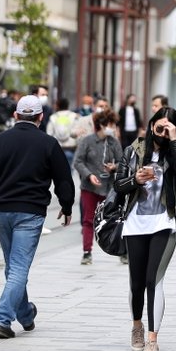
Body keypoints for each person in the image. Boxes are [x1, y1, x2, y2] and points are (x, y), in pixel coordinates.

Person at [0, 95, 75, 339]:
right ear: (41, 117)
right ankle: (2, 320)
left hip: (2, 212)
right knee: (18, 269)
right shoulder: (48, 144)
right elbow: (63, 179)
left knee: (13, 268)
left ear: (16, 116)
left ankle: (26, 315)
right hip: (30, 213)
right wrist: (67, 206)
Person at [114, 106, 176, 351]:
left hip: (163, 222)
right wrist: (135, 179)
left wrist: (174, 139)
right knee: (136, 283)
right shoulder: (133, 150)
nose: (162, 130)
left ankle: (152, 339)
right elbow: (118, 186)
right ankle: (137, 327)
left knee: (152, 279)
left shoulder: (175, 150)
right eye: (159, 125)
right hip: (135, 222)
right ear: (151, 124)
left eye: (168, 126)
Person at [73, 109, 123, 265]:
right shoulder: (87, 141)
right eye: (111, 125)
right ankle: (87, 252)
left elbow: (123, 163)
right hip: (89, 187)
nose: (113, 128)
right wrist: (89, 175)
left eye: (114, 125)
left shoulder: (114, 142)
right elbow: (78, 161)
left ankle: (122, 250)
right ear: (101, 125)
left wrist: (114, 167)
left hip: (108, 187)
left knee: (117, 219)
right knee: (88, 220)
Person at [47, 98, 80, 170]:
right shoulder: (74, 116)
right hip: (70, 148)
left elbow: (49, 133)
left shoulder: (53, 117)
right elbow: (77, 132)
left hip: (56, 148)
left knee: (57, 171)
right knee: (69, 171)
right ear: (68, 105)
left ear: (58, 106)